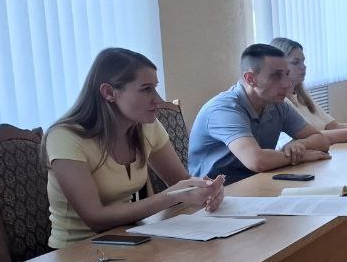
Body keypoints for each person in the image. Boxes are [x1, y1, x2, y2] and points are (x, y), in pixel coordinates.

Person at [44, 48, 225, 249]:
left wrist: (207, 191)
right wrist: (173, 195)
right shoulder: (65, 137)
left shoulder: (148, 127)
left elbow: (181, 183)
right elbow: (95, 219)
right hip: (75, 252)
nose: (158, 99)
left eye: (155, 88)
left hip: (129, 239)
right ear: (109, 92)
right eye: (146, 89)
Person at [189, 44, 331, 184]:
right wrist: (301, 156)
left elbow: (321, 140)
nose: (287, 84)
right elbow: (256, 161)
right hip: (216, 193)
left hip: (256, 183)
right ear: (250, 79)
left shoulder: (277, 104)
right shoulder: (224, 109)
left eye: (287, 74)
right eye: (276, 76)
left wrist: (299, 144)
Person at [271, 37, 347, 144]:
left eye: (303, 61)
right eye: (296, 62)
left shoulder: (303, 96)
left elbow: (334, 126)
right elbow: (315, 136)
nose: (303, 66)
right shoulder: (281, 102)